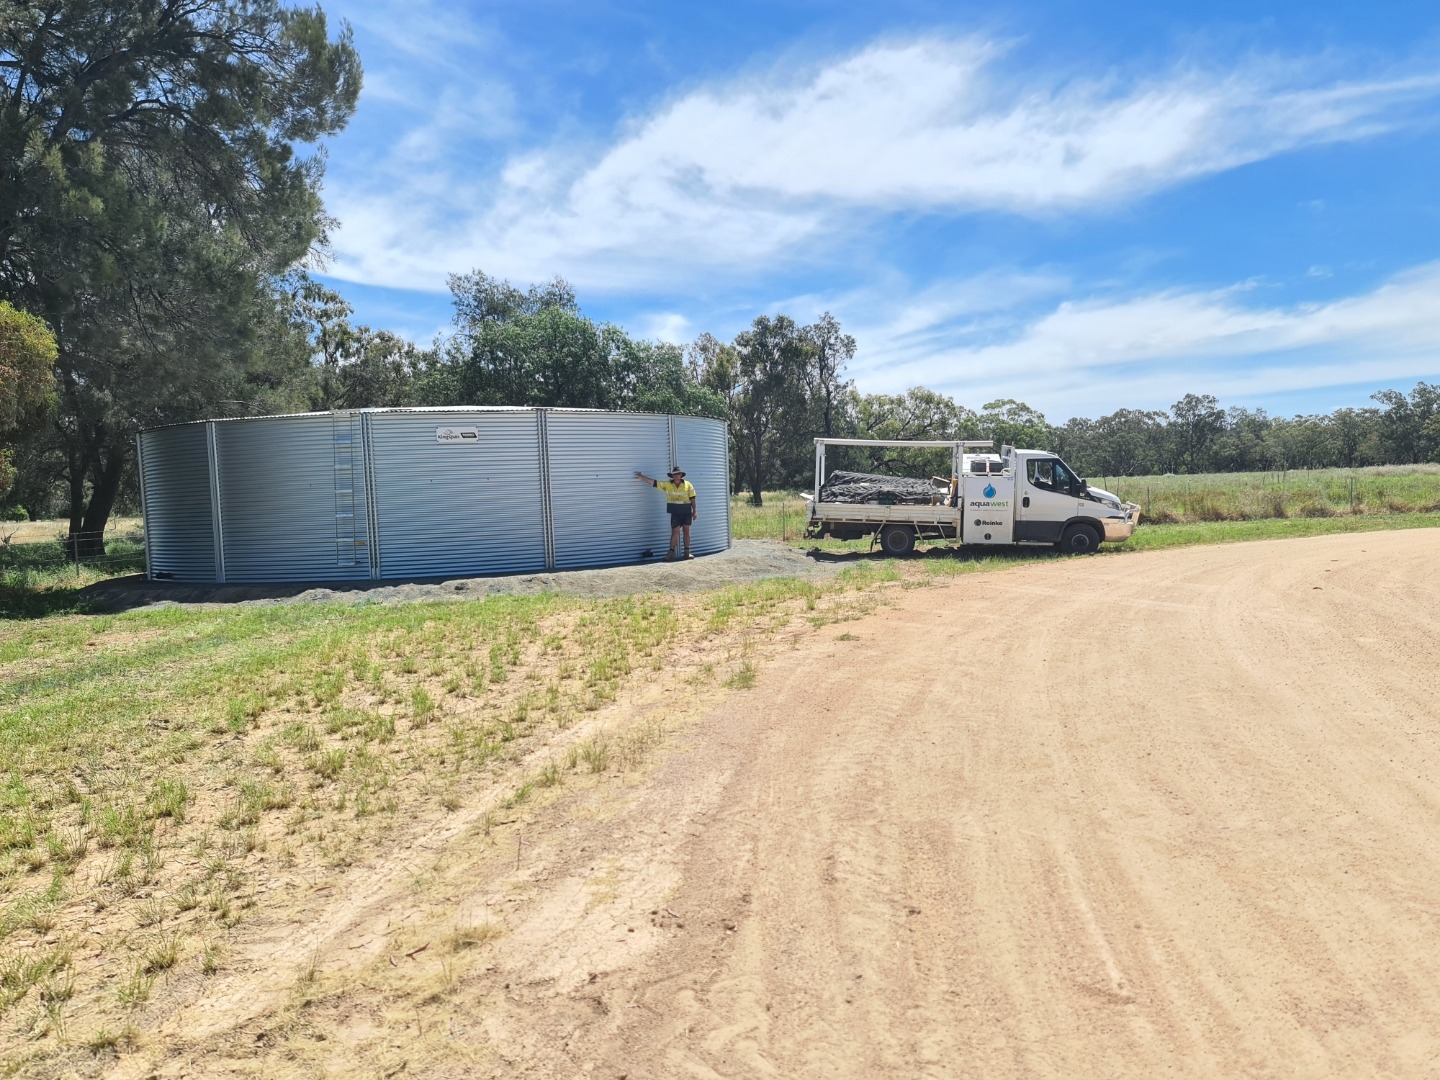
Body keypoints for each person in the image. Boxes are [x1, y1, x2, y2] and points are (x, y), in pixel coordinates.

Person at [634, 466, 698, 560]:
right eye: (675, 474)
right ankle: (671, 554)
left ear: (681, 475)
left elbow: (693, 498)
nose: (676, 476)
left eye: (678, 474)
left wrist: (695, 511)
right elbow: (654, 483)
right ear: (672, 476)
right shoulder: (667, 484)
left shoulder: (688, 485)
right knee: (674, 533)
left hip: (686, 512)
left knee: (686, 532)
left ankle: (687, 553)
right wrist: (642, 477)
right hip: (675, 512)